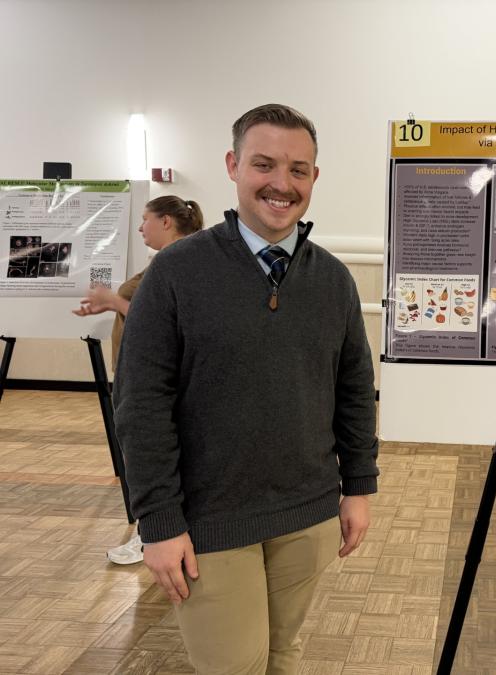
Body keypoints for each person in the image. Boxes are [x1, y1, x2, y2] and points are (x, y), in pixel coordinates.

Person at [113, 104, 378, 674]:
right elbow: (141, 404)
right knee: (233, 665)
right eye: (264, 164)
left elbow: (354, 388)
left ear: (313, 177)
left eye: (298, 169)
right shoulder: (177, 273)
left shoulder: (331, 279)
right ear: (233, 166)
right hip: (209, 520)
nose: (282, 184)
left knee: (281, 658)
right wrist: (157, 521)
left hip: (306, 514)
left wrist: (357, 486)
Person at [74, 195, 204, 564]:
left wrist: (115, 303)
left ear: (166, 221)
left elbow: (165, 322)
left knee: (150, 457)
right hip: (141, 373)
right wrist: (110, 303)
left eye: (145, 219)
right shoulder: (164, 262)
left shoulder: (180, 262)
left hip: (157, 379)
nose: (140, 227)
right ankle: (156, 532)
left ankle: (153, 534)